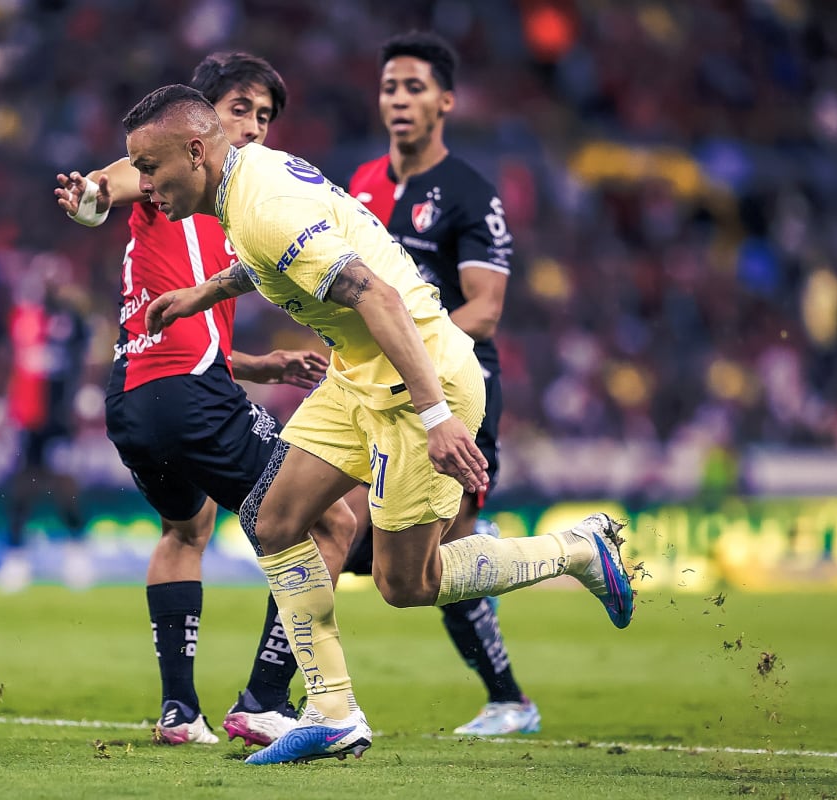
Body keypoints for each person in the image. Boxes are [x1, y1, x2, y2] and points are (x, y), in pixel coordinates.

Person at [131, 84, 634, 765]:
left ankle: (579, 550)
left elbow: (377, 295)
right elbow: (270, 260)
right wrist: (205, 292)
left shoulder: (263, 205)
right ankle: (332, 709)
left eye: (149, 167)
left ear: (195, 151)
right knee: (273, 520)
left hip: (418, 381)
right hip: (359, 374)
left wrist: (437, 417)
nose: (145, 185)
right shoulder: (248, 177)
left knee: (408, 585)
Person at [54, 53, 357, 747]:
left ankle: (179, 713)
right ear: (198, 122)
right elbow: (112, 182)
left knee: (186, 531)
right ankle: (266, 697)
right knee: (333, 521)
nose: (252, 125)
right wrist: (90, 199)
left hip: (136, 394)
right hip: (185, 391)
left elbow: (181, 322)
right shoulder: (170, 172)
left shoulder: (232, 205)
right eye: (240, 109)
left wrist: (258, 364)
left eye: (264, 116)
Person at [343, 31, 537, 737]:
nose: (399, 99)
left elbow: (485, 309)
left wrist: (414, 356)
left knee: (440, 555)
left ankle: (510, 698)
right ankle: (298, 701)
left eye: (415, 87)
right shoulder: (360, 184)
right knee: (344, 534)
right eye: (391, 87)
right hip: (374, 392)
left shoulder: (469, 195)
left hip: (457, 392)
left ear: (446, 102)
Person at [0, 257, 93, 594]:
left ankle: (76, 551)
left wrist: (82, 401)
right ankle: (16, 555)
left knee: (65, 484)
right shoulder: (24, 318)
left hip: (60, 418)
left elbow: (84, 362)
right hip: (28, 415)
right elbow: (12, 362)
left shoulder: (74, 320)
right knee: (22, 484)